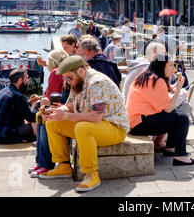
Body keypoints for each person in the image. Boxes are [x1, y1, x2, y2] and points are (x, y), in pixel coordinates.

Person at [38, 56, 130, 193]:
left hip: (115, 127)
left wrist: (64, 115)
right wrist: (56, 111)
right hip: (95, 124)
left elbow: (95, 117)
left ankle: (92, 174)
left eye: (69, 78)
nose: (67, 82)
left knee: (82, 127)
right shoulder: (78, 81)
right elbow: (69, 105)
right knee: (52, 122)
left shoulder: (98, 83)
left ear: (81, 70)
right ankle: (63, 165)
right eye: (66, 79)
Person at [126, 54, 194, 166]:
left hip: (135, 122)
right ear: (161, 65)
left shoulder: (147, 75)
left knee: (176, 116)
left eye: (175, 66)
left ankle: (170, 148)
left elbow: (160, 96)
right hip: (140, 123)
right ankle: (180, 156)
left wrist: (173, 88)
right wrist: (179, 88)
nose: (174, 69)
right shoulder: (157, 80)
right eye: (171, 65)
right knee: (182, 118)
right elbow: (168, 108)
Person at [29, 49, 69, 178]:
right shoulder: (62, 72)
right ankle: (42, 163)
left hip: (58, 109)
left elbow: (50, 94)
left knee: (42, 120)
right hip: (62, 107)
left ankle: (44, 163)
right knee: (40, 120)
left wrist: (44, 101)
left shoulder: (54, 73)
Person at [0, 69, 37, 144]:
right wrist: (35, 106)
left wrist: (28, 103)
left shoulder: (2, 92)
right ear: (20, 80)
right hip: (5, 137)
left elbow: (17, 109)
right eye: (27, 78)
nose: (28, 81)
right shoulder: (18, 96)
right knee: (37, 125)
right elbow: (31, 118)